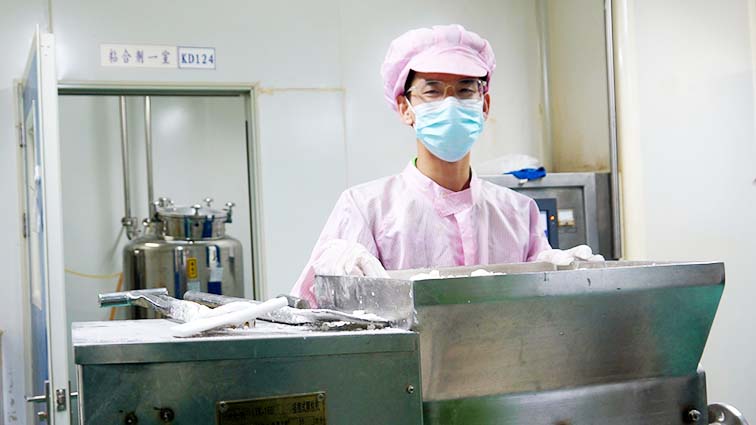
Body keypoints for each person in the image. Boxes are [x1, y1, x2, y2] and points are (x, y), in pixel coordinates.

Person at [291, 24, 555, 306]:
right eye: (432, 91)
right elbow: (305, 314)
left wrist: (570, 276)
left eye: (465, 90)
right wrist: (331, 285)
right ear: (405, 108)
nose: (451, 104)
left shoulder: (518, 213)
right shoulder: (366, 209)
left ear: (484, 105)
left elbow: (544, 308)